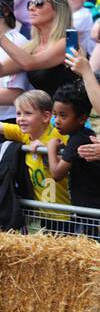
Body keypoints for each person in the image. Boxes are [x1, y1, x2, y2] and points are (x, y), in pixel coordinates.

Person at [0, 87, 68, 209]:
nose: (21, 119)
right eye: (18, 113)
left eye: (28, 113)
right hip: (41, 211)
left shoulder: (60, 135)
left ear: (46, 117)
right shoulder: (23, 133)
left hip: (64, 212)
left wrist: (47, 148)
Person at [45, 79, 100, 227]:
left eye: (63, 116)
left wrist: (51, 148)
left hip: (91, 208)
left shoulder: (77, 139)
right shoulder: (83, 135)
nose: (57, 121)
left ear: (82, 118)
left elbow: (57, 174)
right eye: (55, 115)